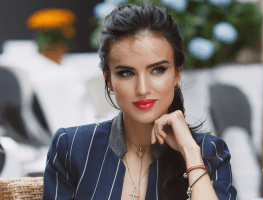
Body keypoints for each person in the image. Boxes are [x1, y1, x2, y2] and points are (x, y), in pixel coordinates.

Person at [43, 3, 237, 200]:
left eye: (157, 70)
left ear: (177, 73)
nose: (142, 89)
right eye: (126, 73)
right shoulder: (71, 147)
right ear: (108, 79)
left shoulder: (210, 153)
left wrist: (190, 153)